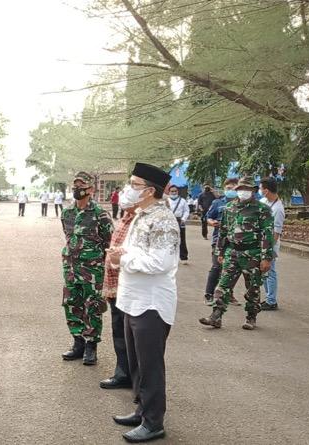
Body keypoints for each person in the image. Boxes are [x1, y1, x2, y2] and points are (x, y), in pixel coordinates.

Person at [108, 162, 178, 443]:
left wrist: (122, 258)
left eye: (134, 184)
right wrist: (121, 253)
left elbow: (160, 262)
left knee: (150, 365)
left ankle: (153, 422)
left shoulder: (163, 220)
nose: (128, 189)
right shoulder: (141, 215)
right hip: (133, 299)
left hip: (151, 303)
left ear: (149, 191)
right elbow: (138, 252)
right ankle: (142, 409)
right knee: (136, 362)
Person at [199, 177, 274, 330]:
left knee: (252, 287)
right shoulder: (229, 207)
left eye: (247, 189)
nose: (243, 192)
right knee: (223, 285)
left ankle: (251, 317)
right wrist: (220, 251)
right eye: (240, 189)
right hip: (232, 252)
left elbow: (267, 234)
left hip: (252, 253)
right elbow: (224, 231)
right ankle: (216, 316)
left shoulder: (262, 209)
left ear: (253, 191)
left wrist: (266, 258)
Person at [60, 171, 113, 366]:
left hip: (92, 270)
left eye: (81, 186)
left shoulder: (100, 214)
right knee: (71, 303)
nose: (77, 190)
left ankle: (91, 345)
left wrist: (104, 268)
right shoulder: (67, 213)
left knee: (92, 306)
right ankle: (78, 342)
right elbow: (68, 237)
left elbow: (109, 243)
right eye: (75, 186)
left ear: (91, 189)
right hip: (71, 268)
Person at [100, 185, 139, 390]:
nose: (124, 195)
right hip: (116, 286)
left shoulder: (141, 221)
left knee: (131, 335)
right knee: (119, 331)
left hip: (130, 286)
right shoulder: (125, 217)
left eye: (133, 186)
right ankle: (123, 373)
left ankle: (133, 377)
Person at [203, 178, 239, 305]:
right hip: (219, 240)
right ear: (224, 189)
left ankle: (228, 294)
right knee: (217, 266)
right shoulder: (218, 202)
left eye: (234, 188)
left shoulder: (242, 204)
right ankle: (209, 293)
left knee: (233, 269)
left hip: (236, 241)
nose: (231, 190)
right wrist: (212, 222)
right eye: (228, 188)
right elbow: (208, 217)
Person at [259, 177, 284, 311]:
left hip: (270, 246)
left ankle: (271, 301)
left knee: (271, 271)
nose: (260, 190)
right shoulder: (263, 202)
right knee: (264, 272)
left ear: (266, 190)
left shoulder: (278, 209)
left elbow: (276, 233)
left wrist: (268, 250)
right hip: (262, 243)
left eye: (260, 188)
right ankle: (269, 297)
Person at [167, 185, 190, 264]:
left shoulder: (183, 201)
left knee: (182, 239)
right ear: (169, 192)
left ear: (178, 191)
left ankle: (183, 257)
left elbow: (186, 211)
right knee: (169, 239)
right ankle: (170, 257)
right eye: (172, 191)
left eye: (175, 191)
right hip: (169, 221)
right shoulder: (166, 201)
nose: (174, 193)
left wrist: (183, 219)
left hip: (180, 221)